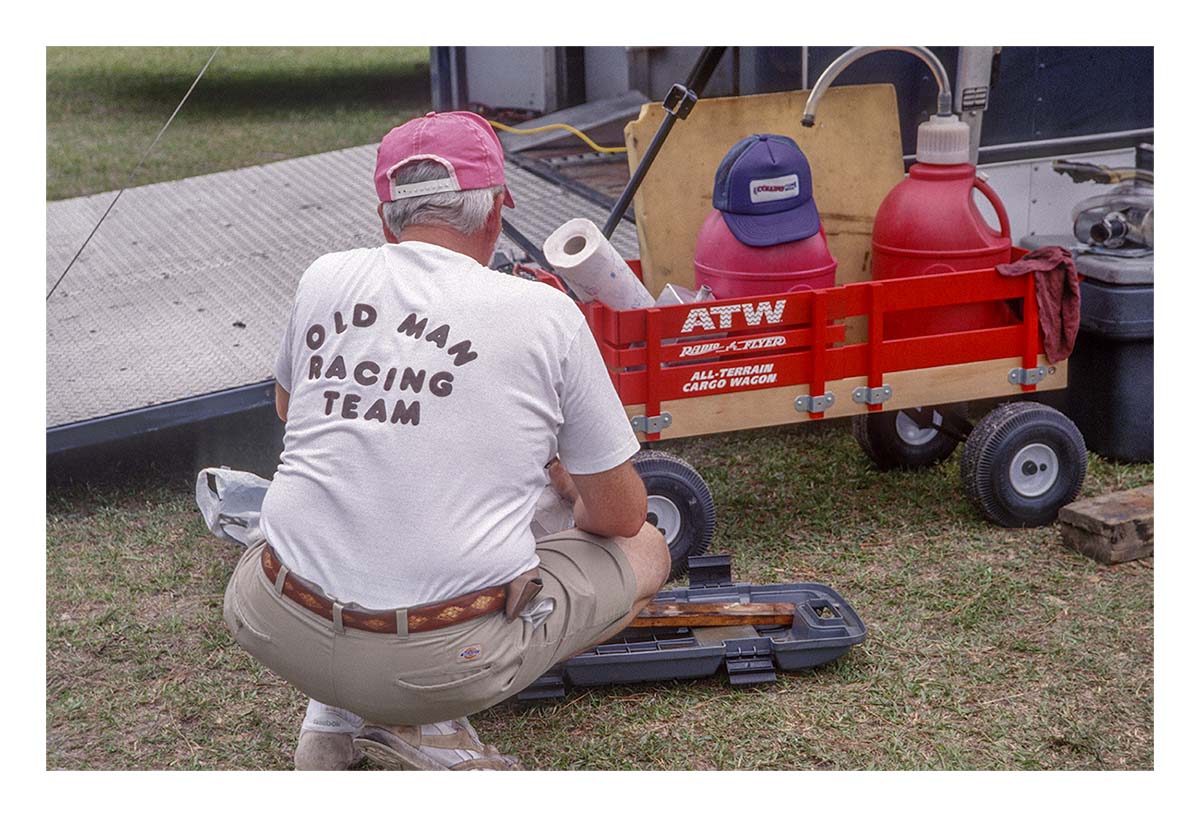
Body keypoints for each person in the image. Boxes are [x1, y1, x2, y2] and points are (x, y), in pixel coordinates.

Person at [222, 111, 670, 771]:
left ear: (386, 222)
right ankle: (427, 729)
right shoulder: (545, 312)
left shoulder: (323, 276)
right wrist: (558, 485)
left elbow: (292, 408)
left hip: (271, 617)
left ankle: (332, 713)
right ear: (493, 219)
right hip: (434, 659)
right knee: (649, 547)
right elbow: (621, 514)